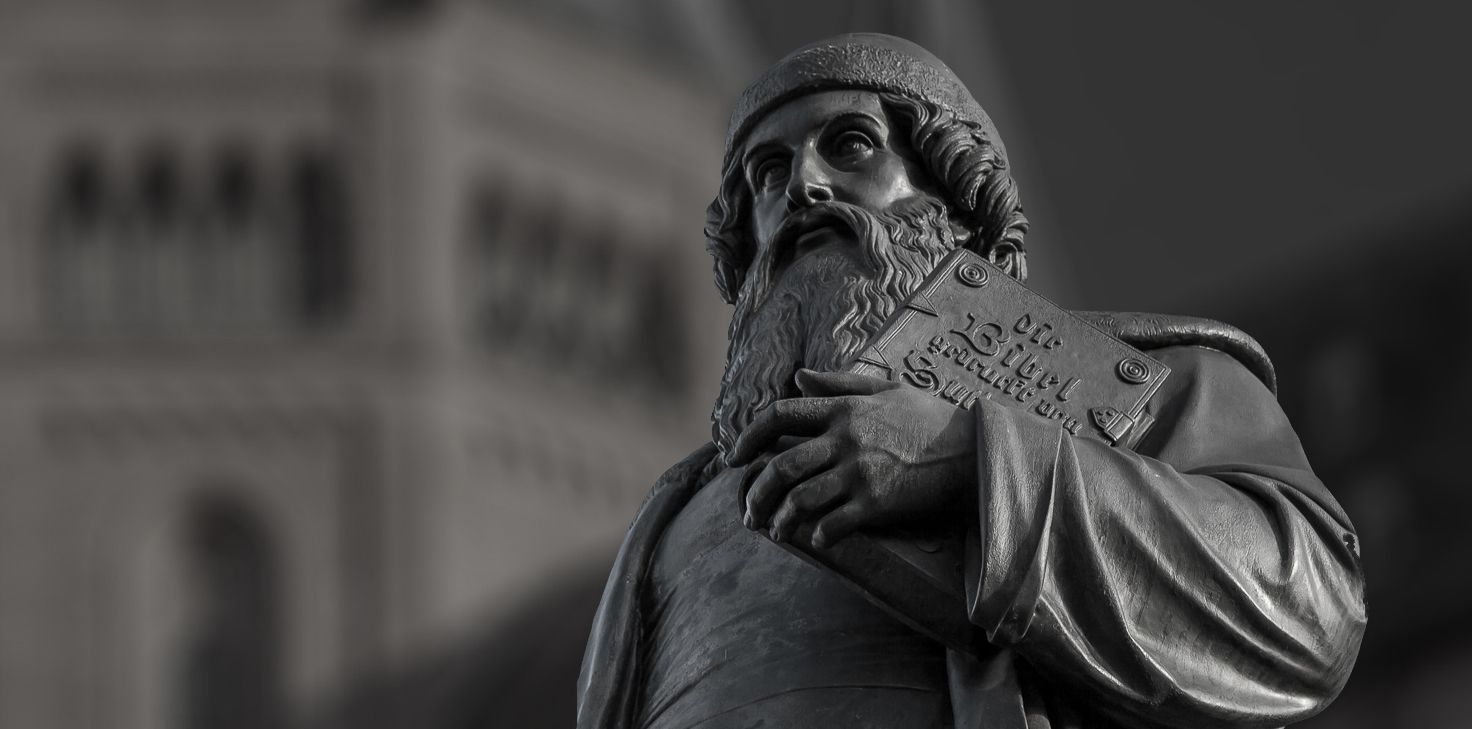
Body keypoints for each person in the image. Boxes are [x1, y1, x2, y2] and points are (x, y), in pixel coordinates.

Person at [578, 33, 1365, 729]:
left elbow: (1307, 611)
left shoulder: (1157, 388)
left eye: (850, 146)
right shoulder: (669, 522)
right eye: (767, 172)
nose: (803, 189)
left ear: (959, 201)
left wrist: (976, 462)